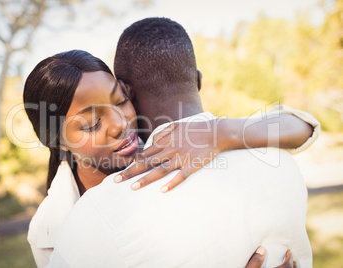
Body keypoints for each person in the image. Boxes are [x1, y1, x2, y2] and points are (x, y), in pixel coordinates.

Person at [46, 18, 317, 267]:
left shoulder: (93, 223)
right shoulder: (278, 160)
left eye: (116, 102)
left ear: (126, 91)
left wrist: (218, 132)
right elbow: (302, 125)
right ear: (198, 80)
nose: (116, 125)